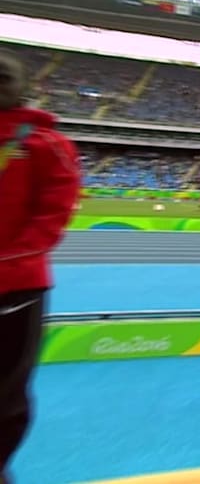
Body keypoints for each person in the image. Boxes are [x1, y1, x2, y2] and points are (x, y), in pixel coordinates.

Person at [0, 48, 81, 481]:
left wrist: (9, 264)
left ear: (25, 87)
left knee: (6, 397)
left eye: (3, 76)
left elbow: (52, 217)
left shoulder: (45, 144)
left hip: (15, 290)